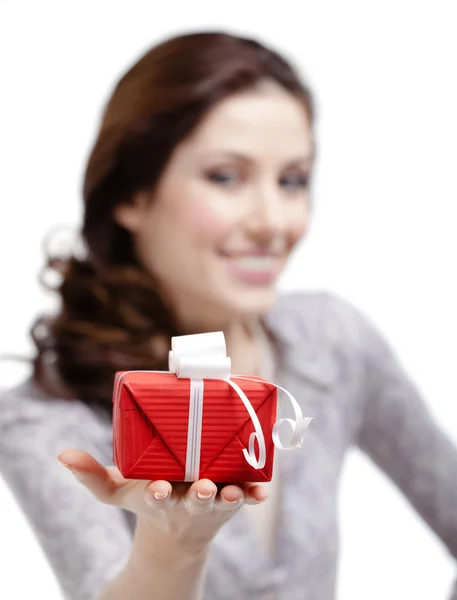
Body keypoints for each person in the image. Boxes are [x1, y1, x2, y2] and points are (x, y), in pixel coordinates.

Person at [1, 30, 456, 600]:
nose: (273, 221)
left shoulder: (332, 342)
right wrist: (175, 543)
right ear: (133, 196)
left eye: (292, 180)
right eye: (225, 177)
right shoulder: (48, 420)